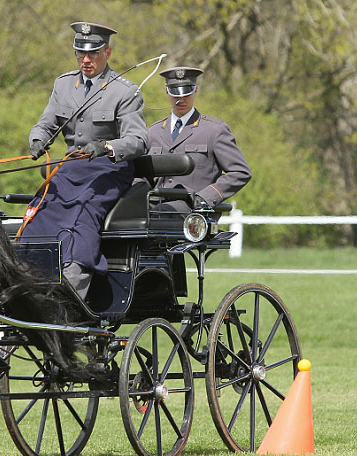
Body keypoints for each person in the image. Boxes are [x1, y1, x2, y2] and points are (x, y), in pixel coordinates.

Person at [23, 22, 148, 299]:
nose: (86, 60)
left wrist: (105, 146)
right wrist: (37, 140)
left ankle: (74, 280)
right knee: (41, 208)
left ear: (108, 53)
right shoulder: (64, 84)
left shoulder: (125, 91)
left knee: (81, 214)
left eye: (93, 54)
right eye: (80, 53)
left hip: (109, 170)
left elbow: (139, 141)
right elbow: (46, 124)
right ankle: (29, 275)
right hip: (70, 168)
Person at [144, 67, 251, 212]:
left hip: (193, 211)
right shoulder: (154, 132)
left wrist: (207, 197)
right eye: (175, 94)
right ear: (167, 92)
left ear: (195, 91)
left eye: (186, 94)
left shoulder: (214, 130)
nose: (180, 100)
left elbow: (240, 172)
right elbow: (141, 175)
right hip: (154, 207)